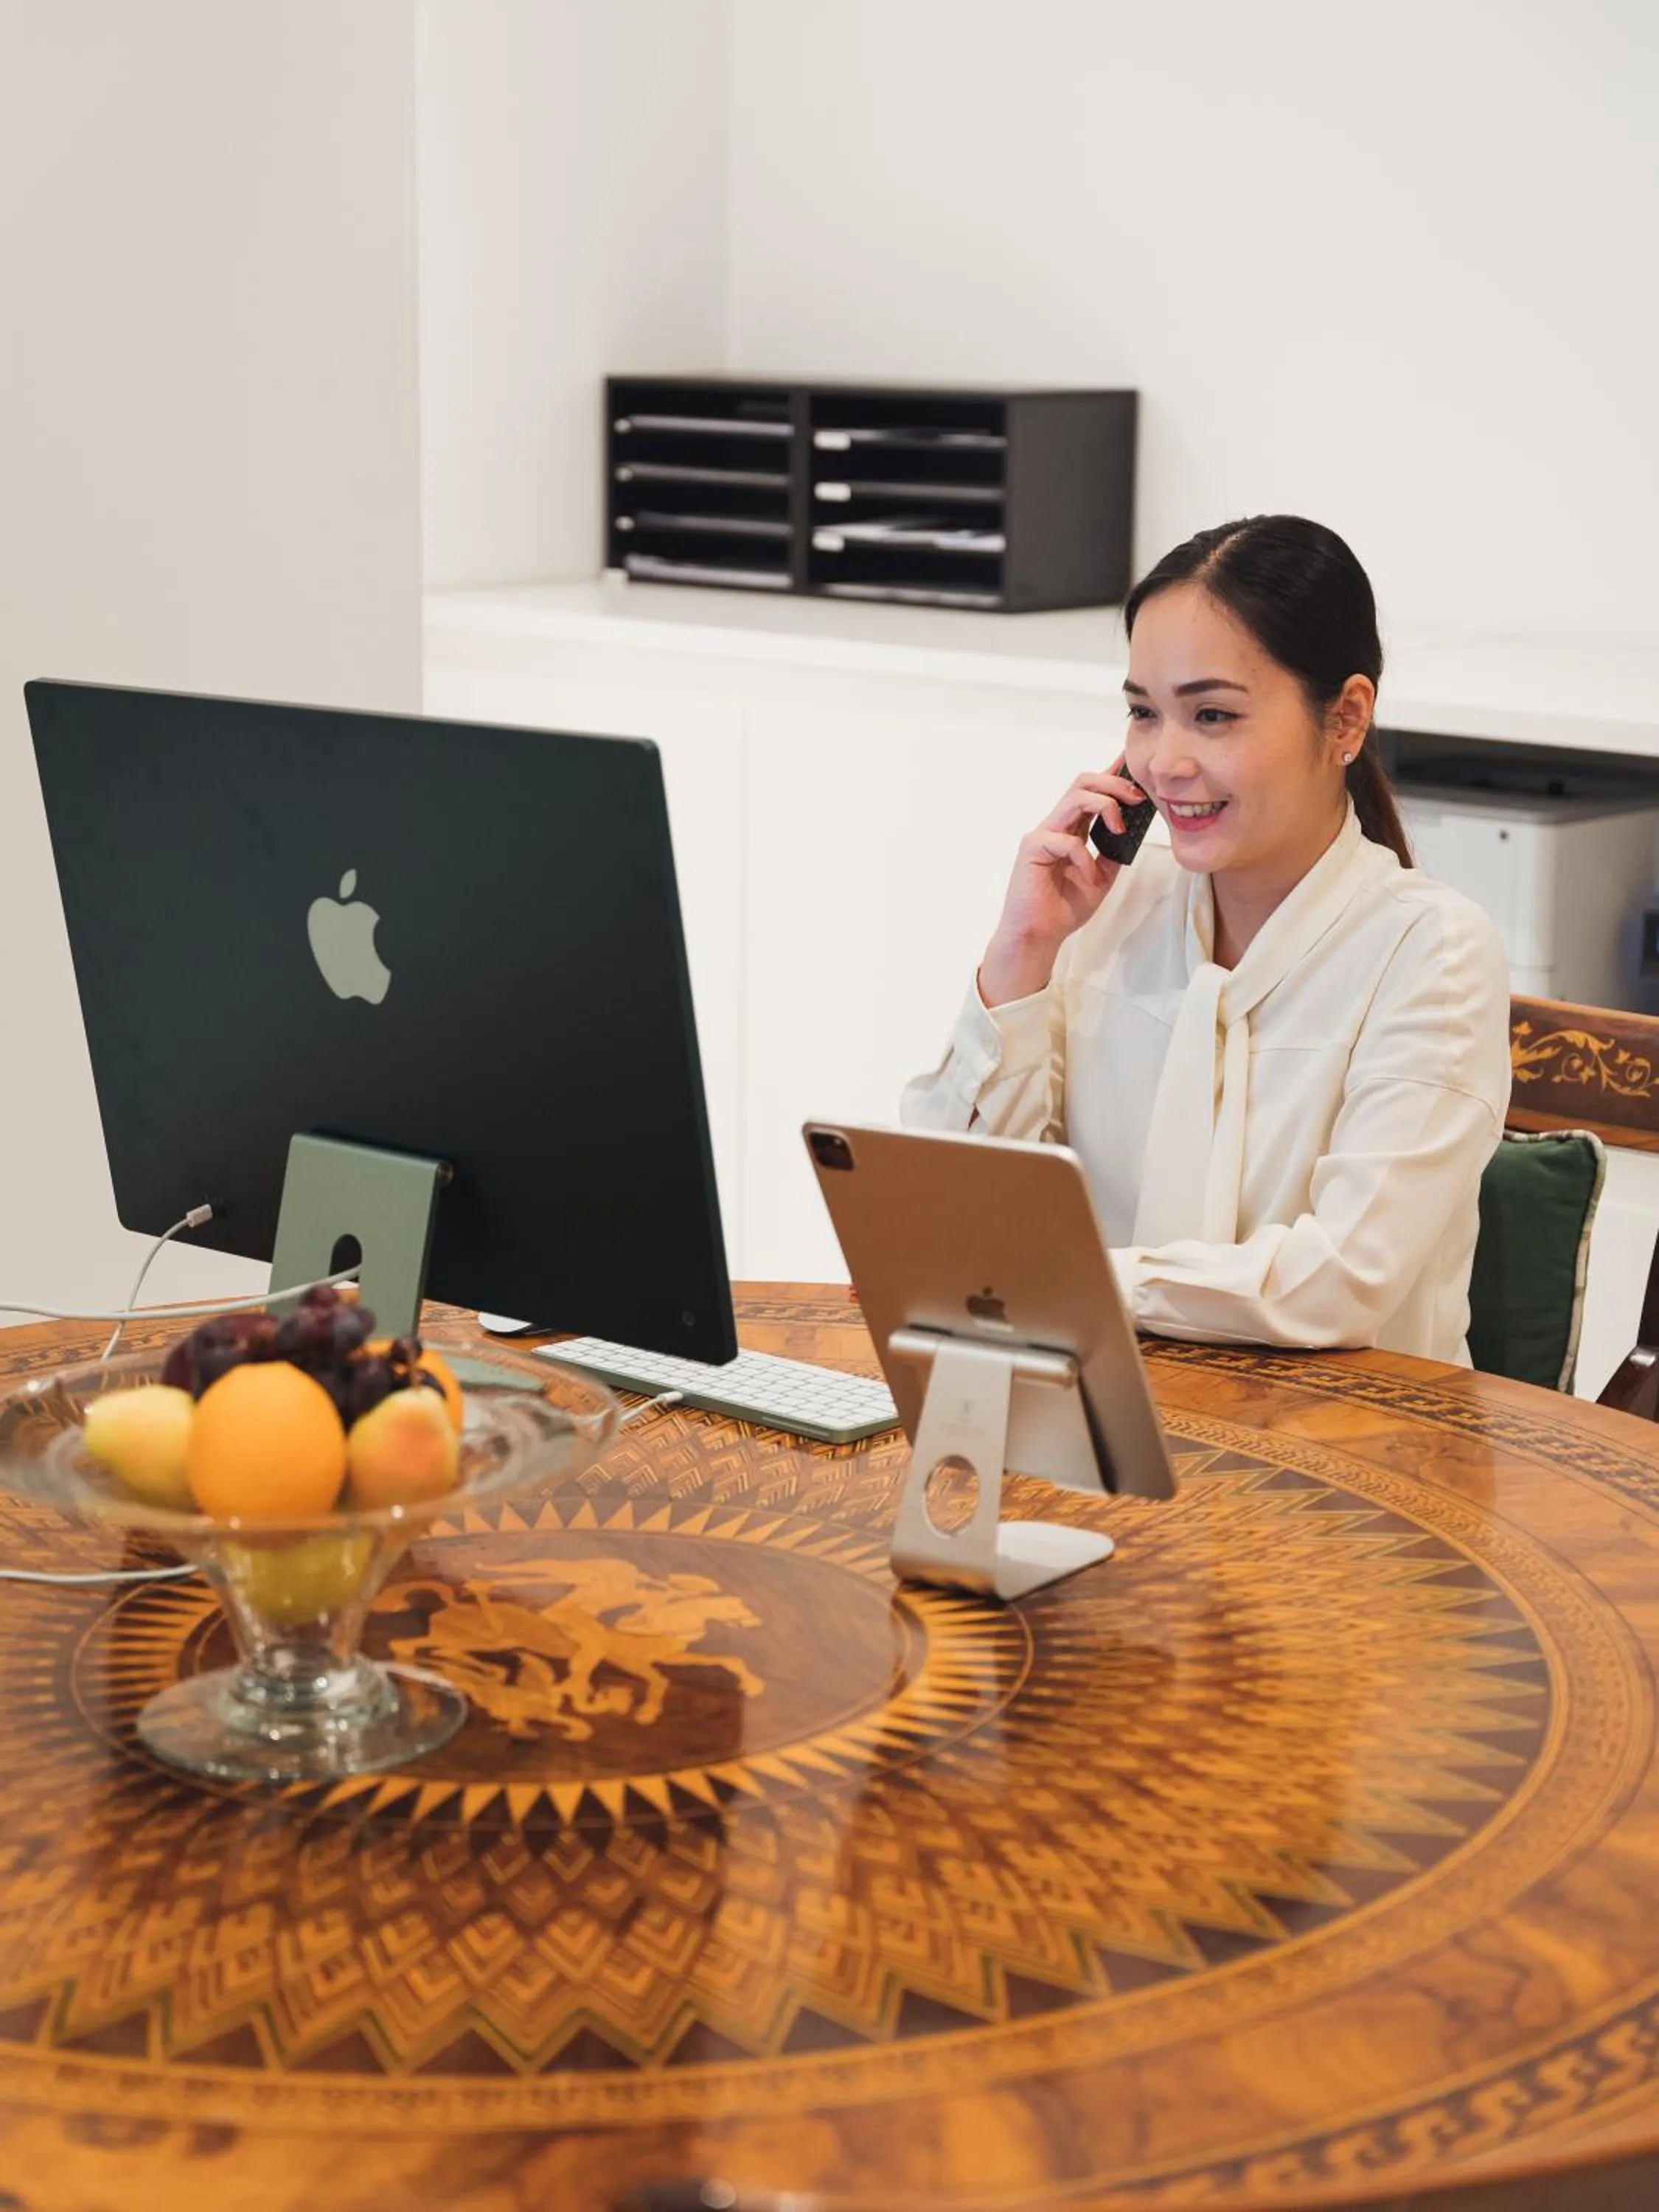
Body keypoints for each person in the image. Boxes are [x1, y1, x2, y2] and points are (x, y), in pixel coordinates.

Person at [902, 515, 1511, 1363]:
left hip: (1343, 1435)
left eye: (1213, 715)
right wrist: (1021, 956)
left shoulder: (1432, 952)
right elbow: (950, 1215)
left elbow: (1340, 1282)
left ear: (1345, 719)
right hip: (1103, 1404)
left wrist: (1070, 1279)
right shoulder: (1109, 908)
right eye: (1143, 713)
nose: (1164, 762)